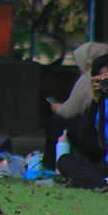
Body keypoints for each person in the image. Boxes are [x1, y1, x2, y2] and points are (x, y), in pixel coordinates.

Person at [43, 42, 108, 169]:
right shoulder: (95, 87)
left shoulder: (87, 79)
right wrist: (96, 99)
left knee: (54, 122)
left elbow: (68, 112)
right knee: (66, 162)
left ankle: (50, 164)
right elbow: (85, 131)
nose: (103, 80)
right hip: (97, 137)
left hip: (101, 143)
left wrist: (58, 108)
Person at [56, 54, 108, 190]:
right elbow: (83, 136)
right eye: (103, 78)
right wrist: (96, 100)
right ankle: (102, 184)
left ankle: (94, 182)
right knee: (64, 161)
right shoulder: (101, 101)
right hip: (105, 165)